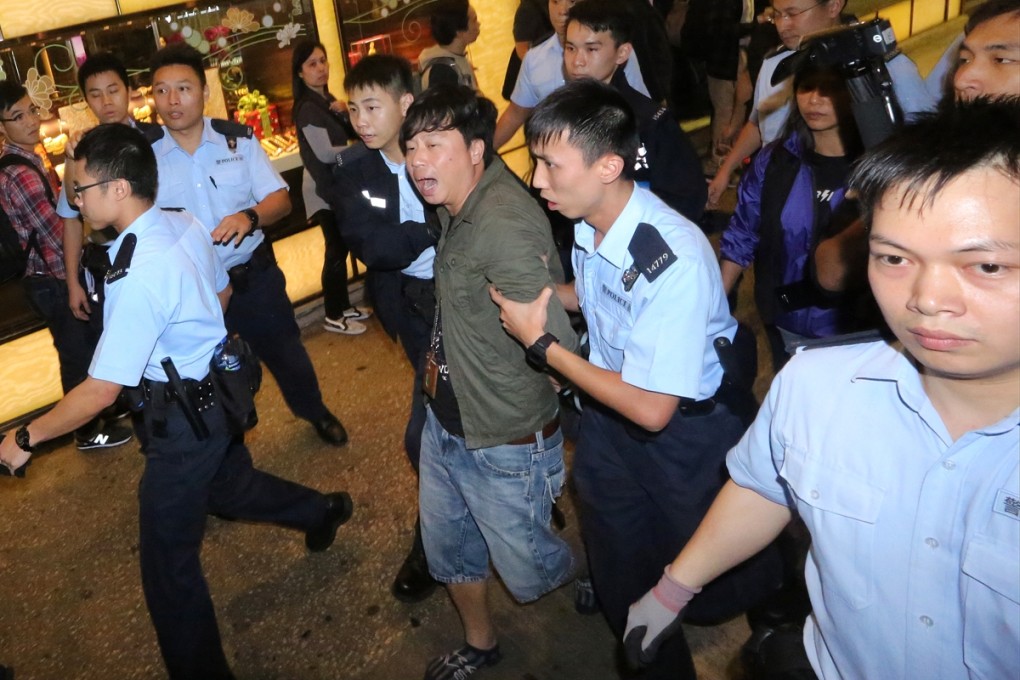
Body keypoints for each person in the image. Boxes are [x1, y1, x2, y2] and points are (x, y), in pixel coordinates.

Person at [625, 96, 1020, 680]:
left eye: (984, 266)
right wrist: (672, 590)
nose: (926, 300)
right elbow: (768, 483)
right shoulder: (815, 388)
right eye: (893, 258)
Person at [0, 124, 355, 680]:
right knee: (233, 486)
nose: (75, 199)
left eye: (81, 188)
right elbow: (221, 291)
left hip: (183, 423)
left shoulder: (136, 271)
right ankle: (322, 510)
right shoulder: (180, 223)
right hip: (217, 396)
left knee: (169, 570)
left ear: (118, 188)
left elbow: (101, 390)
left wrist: (25, 438)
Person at [492, 79, 781, 680]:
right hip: (608, 411)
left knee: (719, 567)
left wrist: (541, 344)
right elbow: (598, 297)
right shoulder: (587, 220)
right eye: (535, 162)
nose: (538, 181)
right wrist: (545, 299)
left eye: (550, 164)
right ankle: (647, 653)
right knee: (614, 541)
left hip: (684, 433)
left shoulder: (667, 255)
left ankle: (779, 626)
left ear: (609, 165)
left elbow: (654, 410)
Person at [401, 84, 578, 680]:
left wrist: (538, 426)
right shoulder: (455, 203)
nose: (418, 160)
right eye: (412, 147)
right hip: (445, 419)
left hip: (501, 437)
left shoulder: (501, 223)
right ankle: (481, 643)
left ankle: (599, 576)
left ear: (477, 149)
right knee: (450, 553)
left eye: (434, 144)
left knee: (530, 572)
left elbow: (557, 342)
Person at [147, 44, 350, 446]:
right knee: (208, 373)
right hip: (195, 293)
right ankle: (229, 445)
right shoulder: (145, 159)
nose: (173, 100)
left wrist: (249, 217)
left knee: (287, 353)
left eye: (184, 88)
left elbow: (280, 199)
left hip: (252, 279)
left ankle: (315, 411)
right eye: (161, 90)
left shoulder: (236, 142)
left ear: (204, 92)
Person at [812, 1, 1020, 296]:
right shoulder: (926, 161)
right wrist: (892, 205)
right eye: (964, 60)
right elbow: (829, 268)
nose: (963, 79)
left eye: (1001, 59)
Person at [328, 54, 439, 603]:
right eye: (353, 109)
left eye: (372, 106)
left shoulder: (447, 143)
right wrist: (433, 225)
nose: (361, 120)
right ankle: (436, 545)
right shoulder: (351, 171)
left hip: (479, 295)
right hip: (418, 309)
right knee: (429, 436)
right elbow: (372, 247)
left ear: (406, 104)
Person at [0, 80, 132, 451]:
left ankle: (98, 411)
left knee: (87, 344)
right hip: (52, 279)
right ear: (1, 127)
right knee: (76, 354)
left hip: (55, 276)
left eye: (31, 110)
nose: (30, 121)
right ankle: (87, 433)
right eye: (17, 116)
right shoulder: (19, 173)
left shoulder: (30, 157)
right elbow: (57, 231)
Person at [706, 0, 934, 207]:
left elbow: (924, 146)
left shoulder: (888, 68)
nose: (782, 26)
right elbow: (760, 122)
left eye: (793, 13)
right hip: (780, 194)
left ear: (834, 6)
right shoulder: (775, 65)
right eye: (776, 15)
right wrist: (725, 170)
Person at [719, 63, 865, 370]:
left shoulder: (880, 168)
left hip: (854, 329)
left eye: (829, 89)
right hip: (783, 321)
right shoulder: (774, 160)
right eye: (806, 88)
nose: (814, 100)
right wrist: (716, 300)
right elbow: (742, 233)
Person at [563, 0, 706, 222]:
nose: (577, 61)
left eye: (591, 49)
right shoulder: (561, 115)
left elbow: (685, 198)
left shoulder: (648, 122)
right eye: (570, 48)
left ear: (622, 53)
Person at [59, 53, 159, 341]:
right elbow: (71, 214)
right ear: (86, 101)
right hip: (111, 266)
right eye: (96, 94)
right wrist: (73, 283)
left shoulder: (155, 138)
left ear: (128, 90)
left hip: (156, 257)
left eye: (113, 91)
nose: (106, 102)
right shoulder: (85, 149)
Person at [291, 38, 370, 335]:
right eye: (312, 64)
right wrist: (363, 148)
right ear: (300, 72)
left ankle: (343, 306)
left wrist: (344, 111)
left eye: (323, 61)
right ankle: (333, 314)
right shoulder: (307, 108)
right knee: (335, 250)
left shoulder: (326, 101)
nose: (320, 68)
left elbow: (346, 134)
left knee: (341, 246)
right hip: (322, 188)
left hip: (334, 185)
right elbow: (325, 154)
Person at [492, 0, 649, 151]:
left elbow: (641, 108)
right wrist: (484, 154)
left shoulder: (613, 53)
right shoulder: (534, 59)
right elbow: (516, 114)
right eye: (555, 2)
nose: (562, 10)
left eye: (572, 1)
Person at [418, 0, 481, 91]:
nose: (478, 24)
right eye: (474, 20)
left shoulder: (456, 58)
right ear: (459, 32)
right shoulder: (443, 72)